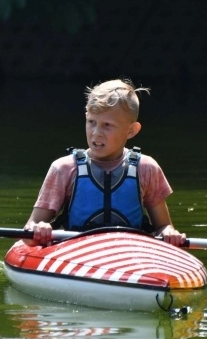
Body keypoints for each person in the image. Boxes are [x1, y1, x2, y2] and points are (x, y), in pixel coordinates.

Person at [24, 78, 187, 247]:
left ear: (131, 130)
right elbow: (29, 232)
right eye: (91, 122)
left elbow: (163, 226)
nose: (96, 133)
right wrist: (40, 228)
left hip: (131, 254)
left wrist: (168, 232)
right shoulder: (63, 169)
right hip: (76, 253)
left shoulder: (147, 168)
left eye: (107, 125)